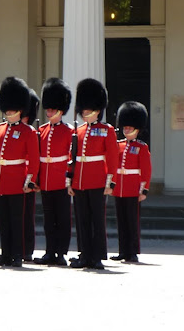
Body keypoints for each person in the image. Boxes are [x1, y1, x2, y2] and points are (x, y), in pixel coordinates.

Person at [0, 77, 39, 268]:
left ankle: (17, 254)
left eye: (11, 110)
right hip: (0, 180)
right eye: (6, 110)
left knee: (17, 221)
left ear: (20, 109)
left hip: (16, 181)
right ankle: (5, 253)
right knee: (3, 221)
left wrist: (29, 180)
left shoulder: (28, 132)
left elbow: (33, 159)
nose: (8, 113)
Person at [67, 78, 118, 270]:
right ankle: (84, 253)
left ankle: (97, 255)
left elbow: (112, 158)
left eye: (88, 109)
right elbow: (72, 157)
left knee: (97, 219)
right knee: (82, 220)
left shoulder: (107, 131)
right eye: (84, 109)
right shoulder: (78, 132)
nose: (85, 112)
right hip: (80, 180)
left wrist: (110, 181)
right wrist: (69, 180)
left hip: (97, 180)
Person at [33, 78, 73, 267]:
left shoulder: (69, 132)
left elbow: (70, 159)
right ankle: (50, 251)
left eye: (51, 109)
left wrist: (70, 180)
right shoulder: (41, 130)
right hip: (47, 180)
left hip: (61, 181)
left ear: (61, 110)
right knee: (48, 220)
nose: (48, 112)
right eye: (47, 109)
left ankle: (61, 252)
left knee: (63, 219)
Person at [111, 101, 152, 263]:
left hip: (133, 188)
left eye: (129, 128)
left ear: (137, 129)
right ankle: (123, 251)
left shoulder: (142, 147)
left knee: (132, 221)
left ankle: (133, 251)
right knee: (121, 221)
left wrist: (144, 190)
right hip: (120, 187)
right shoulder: (118, 145)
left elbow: (146, 170)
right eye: (125, 128)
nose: (126, 130)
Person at [21, 88, 40, 262]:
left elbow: (36, 160)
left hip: (28, 178)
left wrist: (33, 180)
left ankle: (27, 249)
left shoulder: (32, 133)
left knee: (27, 216)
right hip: (15, 177)